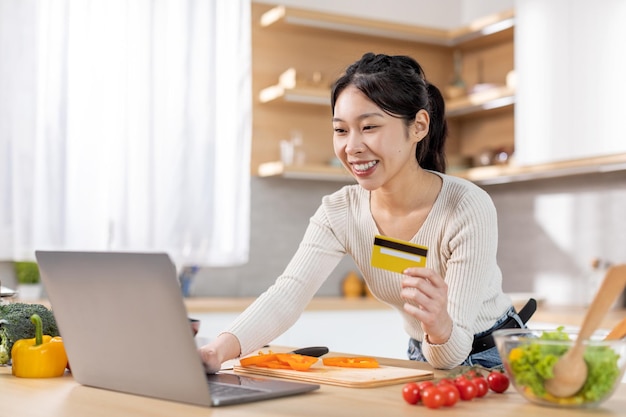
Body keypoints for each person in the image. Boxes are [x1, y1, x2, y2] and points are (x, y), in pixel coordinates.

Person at [199, 52, 526, 372]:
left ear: (418, 126)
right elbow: (288, 294)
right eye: (341, 130)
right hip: (424, 354)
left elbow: (452, 352)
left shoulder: (466, 206)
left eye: (369, 127)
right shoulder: (340, 211)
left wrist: (439, 325)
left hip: (495, 357)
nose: (351, 147)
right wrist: (216, 351)